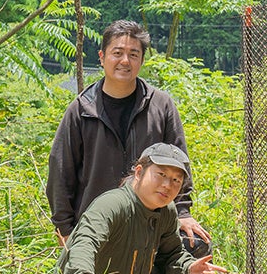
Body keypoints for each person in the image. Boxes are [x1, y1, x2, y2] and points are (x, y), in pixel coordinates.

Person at [47, 20, 208, 252]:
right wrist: (65, 229)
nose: (125, 61)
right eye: (117, 53)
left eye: (133, 54)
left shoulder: (160, 105)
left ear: (142, 60)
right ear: (102, 57)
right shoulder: (82, 109)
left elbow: (180, 161)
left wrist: (182, 212)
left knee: (198, 245)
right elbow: (61, 173)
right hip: (96, 225)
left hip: (154, 222)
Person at [46, 144, 227, 274]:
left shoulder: (166, 211)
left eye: (176, 180)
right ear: (139, 172)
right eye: (161, 175)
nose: (167, 185)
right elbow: (84, 244)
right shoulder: (112, 204)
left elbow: (171, 256)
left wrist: (189, 268)